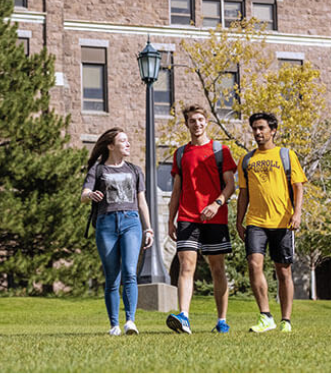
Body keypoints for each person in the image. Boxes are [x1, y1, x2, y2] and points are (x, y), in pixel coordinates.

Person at [166, 105, 236, 334]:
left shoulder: (220, 151)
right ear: (187, 124)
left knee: (217, 268)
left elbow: (230, 186)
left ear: (206, 122)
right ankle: (184, 316)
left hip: (214, 218)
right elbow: (176, 190)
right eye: (191, 121)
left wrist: (216, 204)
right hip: (187, 217)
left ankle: (222, 320)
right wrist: (170, 219)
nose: (196, 124)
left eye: (199, 120)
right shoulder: (180, 153)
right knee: (186, 266)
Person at [236, 112, 306, 333]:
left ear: (273, 130)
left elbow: (298, 187)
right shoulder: (247, 160)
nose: (257, 132)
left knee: (283, 271)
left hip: (283, 221)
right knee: (254, 264)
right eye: (255, 129)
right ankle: (265, 316)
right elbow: (243, 194)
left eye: (262, 128)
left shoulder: (286, 155)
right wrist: (239, 221)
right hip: (256, 221)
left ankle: (286, 320)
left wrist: (297, 214)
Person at [82, 127, 154, 336]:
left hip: (131, 222)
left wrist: (148, 228)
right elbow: (83, 194)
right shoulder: (98, 170)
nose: (128, 143)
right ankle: (114, 325)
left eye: (128, 140)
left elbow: (142, 202)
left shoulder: (134, 170)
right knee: (113, 276)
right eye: (123, 140)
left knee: (130, 272)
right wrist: (90, 196)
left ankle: (130, 321)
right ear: (111, 146)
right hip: (106, 224)